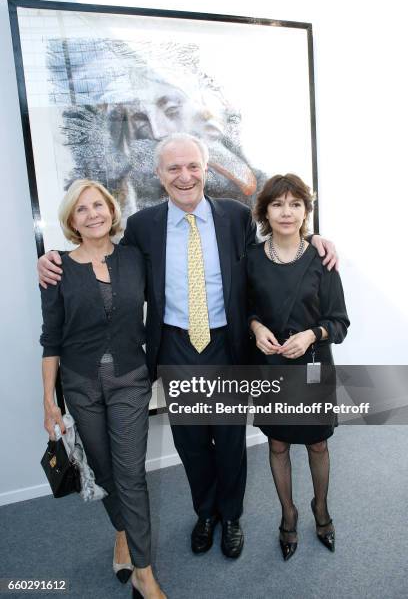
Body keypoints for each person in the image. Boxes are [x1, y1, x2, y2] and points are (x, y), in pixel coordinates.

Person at [38, 134, 338, 561]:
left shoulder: (235, 217)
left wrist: (317, 240)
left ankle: (231, 516)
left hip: (226, 344)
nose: (185, 176)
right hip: (176, 346)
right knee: (192, 443)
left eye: (192, 166)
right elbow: (102, 258)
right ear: (159, 175)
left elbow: (272, 255)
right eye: (174, 168)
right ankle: (206, 514)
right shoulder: (143, 227)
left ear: (205, 169)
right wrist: (51, 259)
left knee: (230, 440)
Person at [39, 180, 165, 599]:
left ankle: (144, 574)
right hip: (80, 386)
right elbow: (51, 339)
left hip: (130, 379)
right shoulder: (57, 268)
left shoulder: (135, 260)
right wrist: (48, 400)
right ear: (71, 220)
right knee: (106, 471)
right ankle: (122, 532)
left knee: (130, 474)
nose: (93, 214)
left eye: (99, 205)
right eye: (81, 209)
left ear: (111, 211)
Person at [247, 174, 349, 561]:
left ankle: (320, 510)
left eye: (295, 204)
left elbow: (339, 322)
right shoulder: (252, 261)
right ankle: (287, 515)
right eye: (277, 204)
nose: (286, 212)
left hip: (312, 367)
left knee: (318, 443)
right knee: (277, 443)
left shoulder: (323, 260)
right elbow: (246, 312)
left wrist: (311, 335)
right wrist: (256, 328)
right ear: (265, 212)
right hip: (271, 369)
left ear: (306, 210)